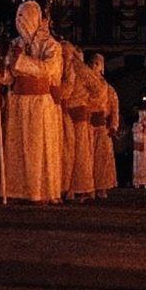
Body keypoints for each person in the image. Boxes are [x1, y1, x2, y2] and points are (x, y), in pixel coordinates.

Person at [0, 0, 63, 204]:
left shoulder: (50, 44)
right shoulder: (15, 44)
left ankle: (40, 190)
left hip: (39, 103)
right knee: (18, 147)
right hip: (18, 101)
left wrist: (21, 61)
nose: (20, 21)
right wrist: (1, 65)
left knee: (36, 146)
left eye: (24, 16)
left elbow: (48, 70)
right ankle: (19, 189)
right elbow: (9, 78)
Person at [59, 41, 94, 201]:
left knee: (80, 154)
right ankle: (66, 187)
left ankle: (83, 188)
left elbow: (98, 89)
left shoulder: (78, 70)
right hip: (65, 115)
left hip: (78, 119)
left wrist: (85, 103)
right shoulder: (62, 68)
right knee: (66, 154)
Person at [87, 53, 117, 199]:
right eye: (92, 62)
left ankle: (101, 187)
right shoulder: (83, 84)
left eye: (96, 63)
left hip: (101, 126)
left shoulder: (107, 88)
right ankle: (88, 187)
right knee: (87, 158)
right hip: (87, 125)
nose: (93, 65)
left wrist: (113, 126)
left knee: (102, 159)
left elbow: (114, 108)